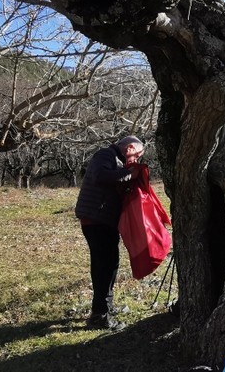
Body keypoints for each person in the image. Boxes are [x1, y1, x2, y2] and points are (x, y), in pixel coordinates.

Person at [75, 135, 145, 330]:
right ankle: (100, 315)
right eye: (136, 156)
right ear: (129, 148)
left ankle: (106, 308)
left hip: (102, 220)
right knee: (104, 266)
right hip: (96, 220)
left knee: (109, 264)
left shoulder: (114, 160)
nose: (135, 161)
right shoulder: (105, 155)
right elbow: (101, 176)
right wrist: (130, 174)